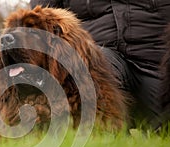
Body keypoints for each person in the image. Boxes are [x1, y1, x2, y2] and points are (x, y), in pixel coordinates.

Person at [30, 0, 170, 130]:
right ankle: (100, 131)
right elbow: (40, 21)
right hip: (100, 57)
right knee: (88, 65)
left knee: (163, 127)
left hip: (158, 62)